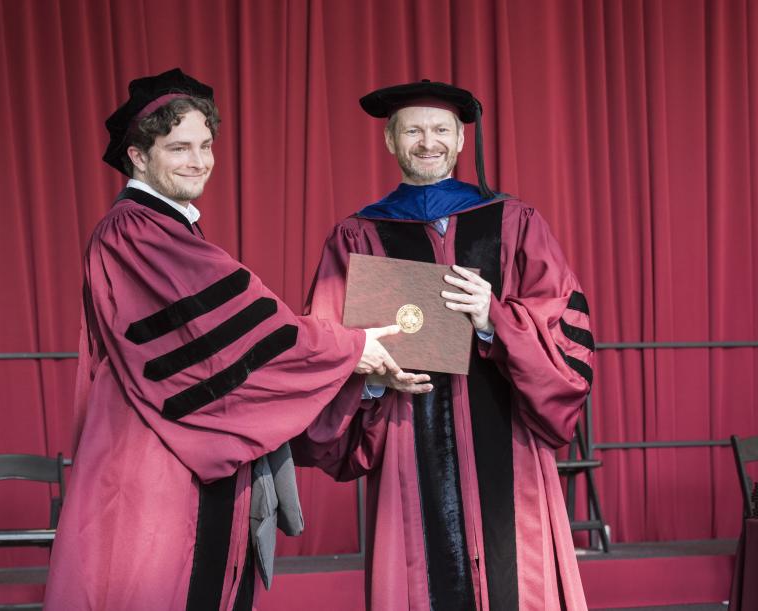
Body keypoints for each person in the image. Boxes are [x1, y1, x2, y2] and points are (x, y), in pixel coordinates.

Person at [44, 68, 418, 610]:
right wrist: (352, 348)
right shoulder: (135, 231)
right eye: (178, 147)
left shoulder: (165, 228)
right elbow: (246, 325)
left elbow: (232, 338)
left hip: (173, 450)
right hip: (158, 460)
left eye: (206, 145)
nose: (198, 160)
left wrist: (354, 356)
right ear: (138, 157)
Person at [293, 79, 594, 610]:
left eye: (439, 130)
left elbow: (559, 319)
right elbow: (329, 337)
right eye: (412, 130)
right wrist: (369, 377)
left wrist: (493, 318)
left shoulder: (514, 221)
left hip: (508, 436)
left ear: (459, 140)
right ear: (390, 141)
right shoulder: (358, 234)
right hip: (410, 434)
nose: (426, 141)